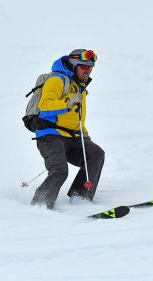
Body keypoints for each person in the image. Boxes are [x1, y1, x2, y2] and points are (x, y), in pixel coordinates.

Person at [30, 49, 105, 209]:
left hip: (72, 136)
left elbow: (77, 118)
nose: (88, 71)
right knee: (60, 170)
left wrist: (84, 136)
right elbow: (44, 105)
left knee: (96, 154)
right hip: (50, 135)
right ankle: (40, 204)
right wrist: (67, 103)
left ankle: (80, 197)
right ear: (74, 65)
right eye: (84, 67)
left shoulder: (79, 86)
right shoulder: (57, 80)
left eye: (90, 68)